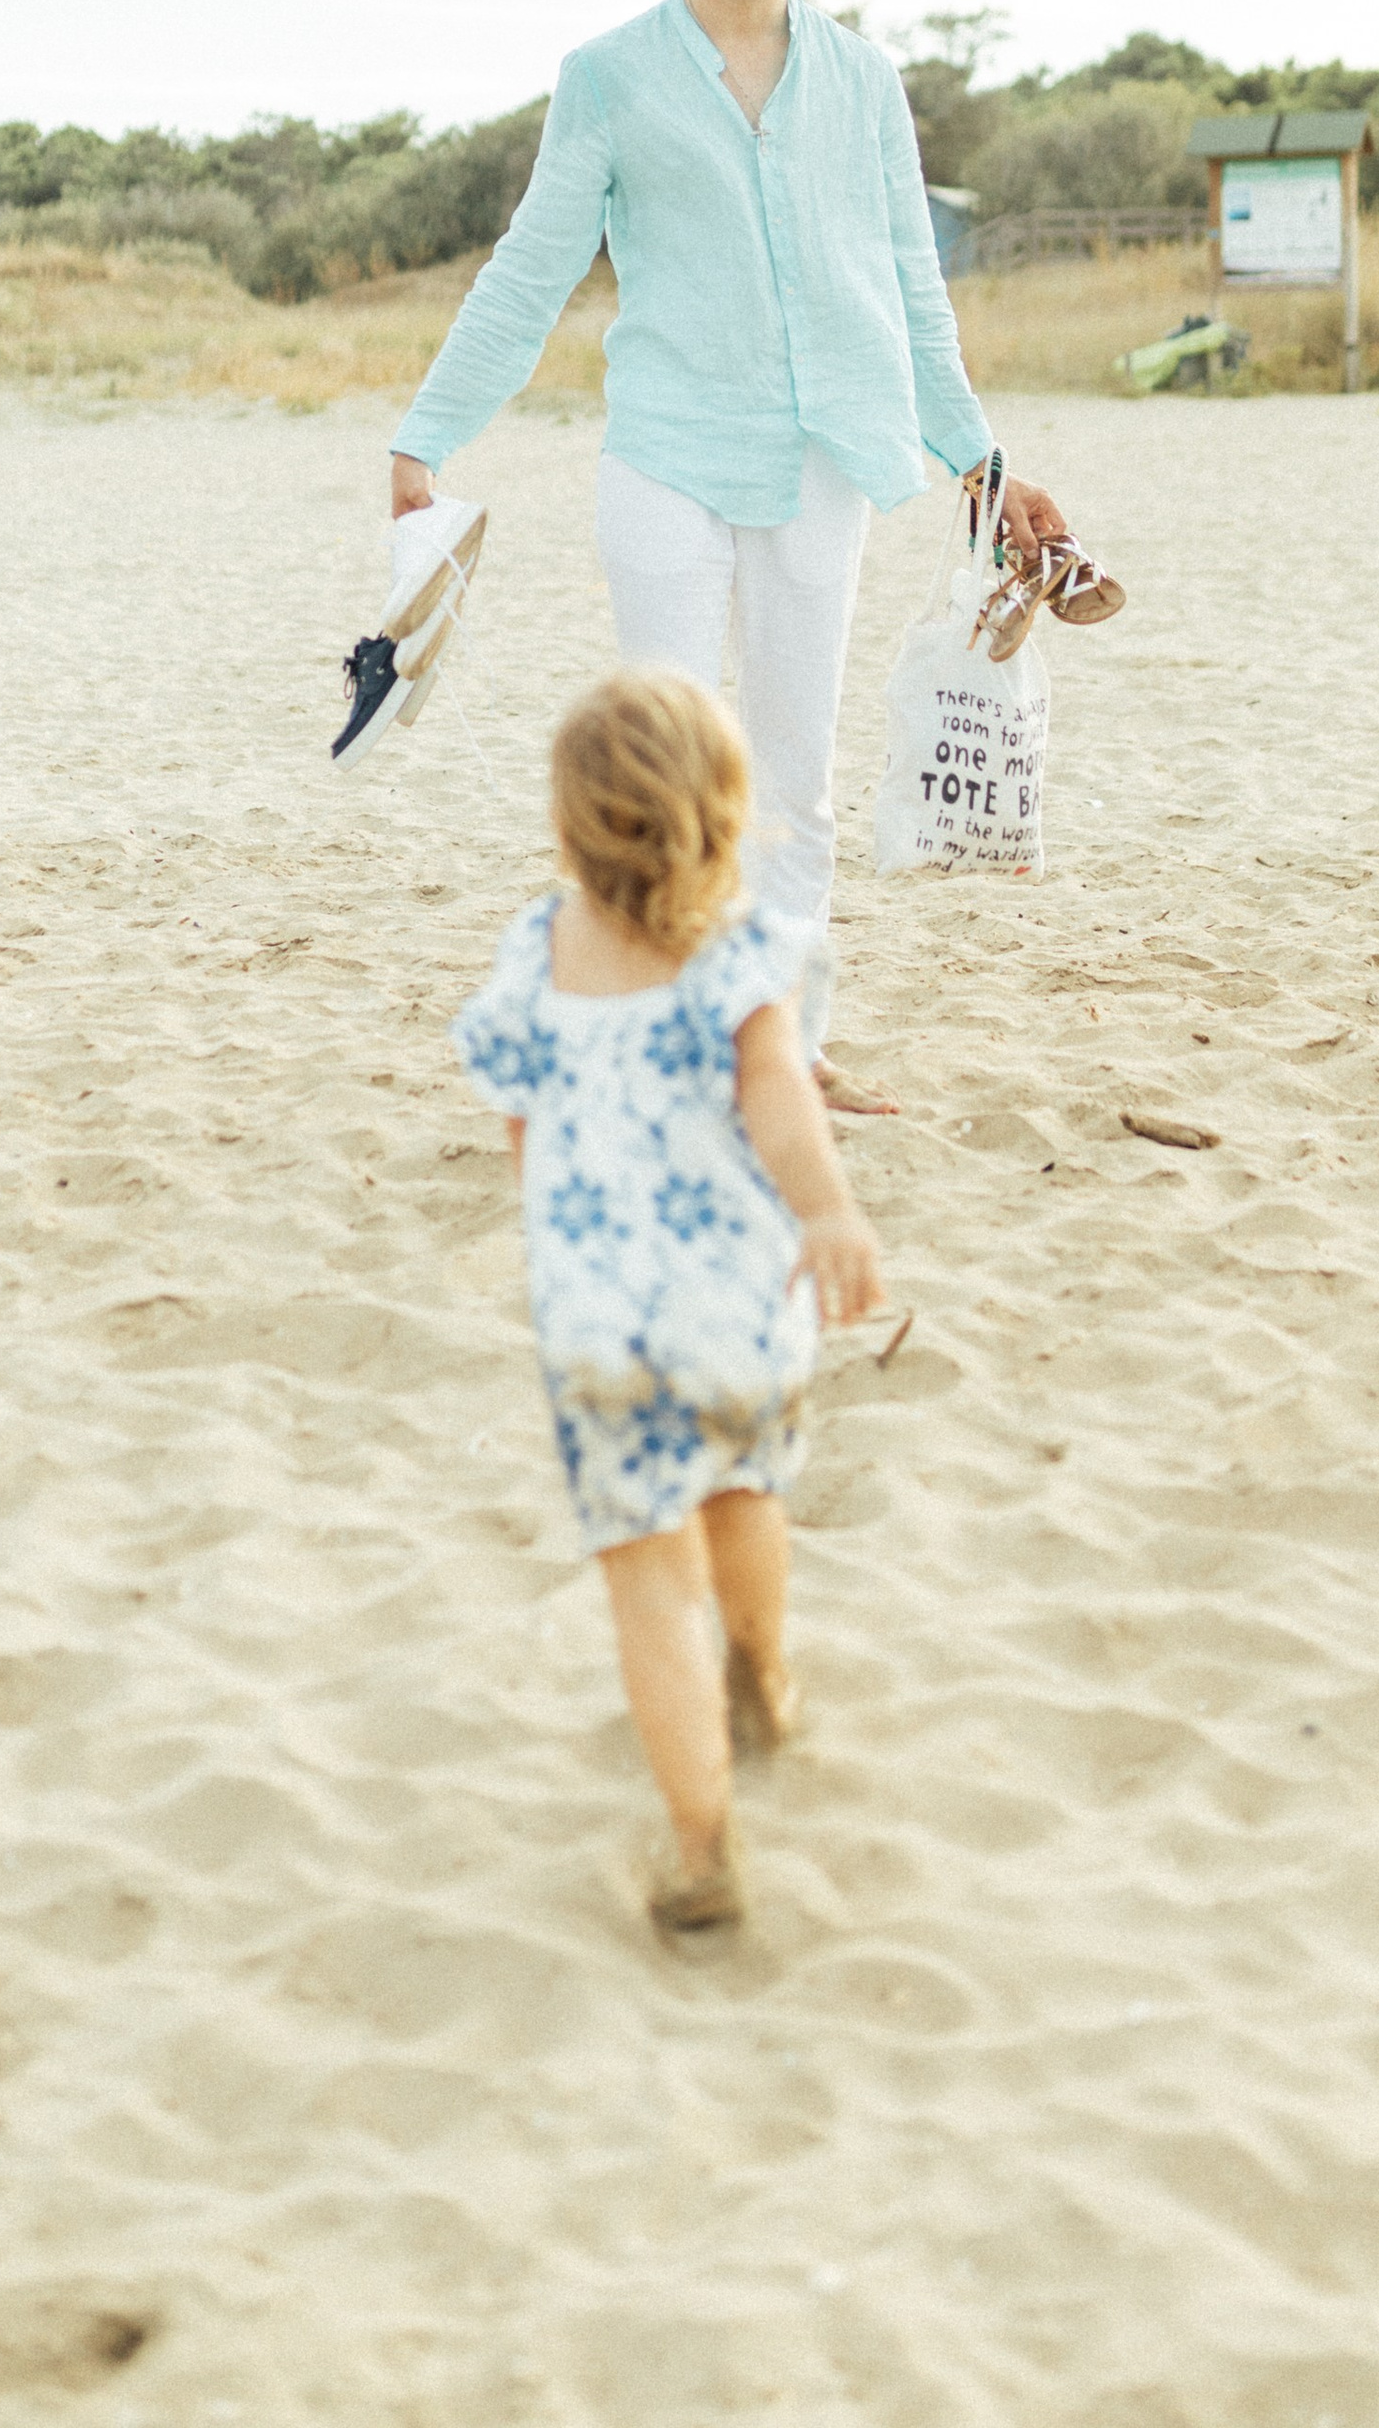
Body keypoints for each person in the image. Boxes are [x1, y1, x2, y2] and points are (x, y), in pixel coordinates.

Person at [391, 0, 1069, 1107]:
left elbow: (908, 284)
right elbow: (533, 267)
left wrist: (980, 461)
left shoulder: (868, 83)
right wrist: (428, 434)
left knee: (795, 779)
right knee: (669, 770)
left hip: (827, 462)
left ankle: (787, 1051)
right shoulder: (609, 78)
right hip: (667, 455)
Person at [454, 668, 885, 1931]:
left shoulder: (537, 953)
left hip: (601, 1318)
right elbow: (780, 1100)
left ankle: (701, 1852)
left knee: (647, 1581)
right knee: (745, 1492)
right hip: (739, 1306)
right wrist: (829, 1212)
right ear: (724, 812)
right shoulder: (740, 954)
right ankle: (761, 1678)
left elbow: (523, 1128)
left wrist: (557, 1257)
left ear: (570, 823)